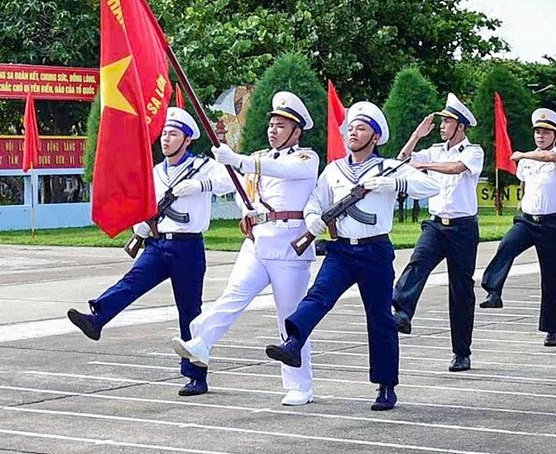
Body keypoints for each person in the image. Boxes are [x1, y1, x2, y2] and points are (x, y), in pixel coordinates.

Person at [265, 101, 440, 411]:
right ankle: (293, 342)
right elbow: (314, 201)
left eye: (361, 129)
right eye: (351, 128)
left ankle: (386, 386)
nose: (353, 133)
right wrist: (314, 220)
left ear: (375, 136)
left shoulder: (387, 167)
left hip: (375, 250)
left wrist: (394, 182)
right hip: (342, 249)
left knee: (380, 318)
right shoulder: (334, 169)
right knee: (318, 296)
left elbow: (431, 185)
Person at [67, 106, 233, 396]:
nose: (166, 139)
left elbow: (230, 180)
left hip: (187, 246)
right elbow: (148, 205)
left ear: (187, 140)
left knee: (189, 311)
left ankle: (196, 377)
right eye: (164, 134)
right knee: (131, 282)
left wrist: (201, 185)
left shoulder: (202, 167)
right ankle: (97, 318)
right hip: (158, 243)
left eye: (173, 134)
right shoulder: (156, 172)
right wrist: (142, 229)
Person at [175, 91, 321, 405]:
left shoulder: (306, 158)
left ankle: (300, 385)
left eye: (282, 125)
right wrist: (243, 205)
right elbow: (242, 189)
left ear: (296, 132)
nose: (273, 129)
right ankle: (202, 342)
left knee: (289, 317)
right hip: (258, 241)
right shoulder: (260, 157)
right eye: (272, 123)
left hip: (289, 246)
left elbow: (284, 172)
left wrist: (237, 160)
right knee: (233, 295)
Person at [390, 93, 485, 372]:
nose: (442, 125)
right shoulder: (434, 149)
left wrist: (426, 165)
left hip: (463, 229)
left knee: (461, 290)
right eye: (442, 121)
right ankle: (403, 311)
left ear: (461, 126)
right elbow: (403, 159)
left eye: (447, 121)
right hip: (435, 224)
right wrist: (416, 136)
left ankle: (461, 352)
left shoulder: (473, 151)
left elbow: (457, 169)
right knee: (418, 262)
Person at [480, 108, 556, 347]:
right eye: (537, 132)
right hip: (527, 219)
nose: (540, 136)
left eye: (545, 132)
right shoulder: (527, 162)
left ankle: (552, 329)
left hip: (550, 223)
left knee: (551, 277)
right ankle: (493, 290)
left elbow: (551, 158)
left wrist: (524, 154)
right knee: (507, 246)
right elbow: (524, 184)